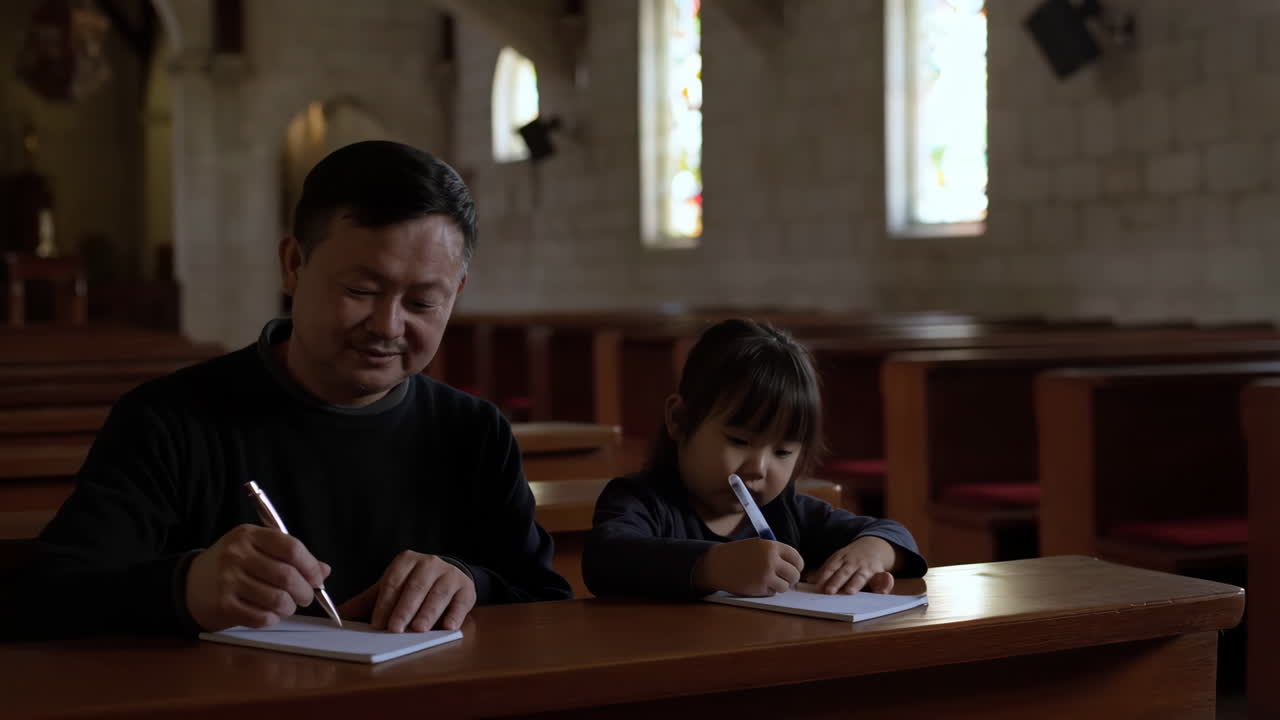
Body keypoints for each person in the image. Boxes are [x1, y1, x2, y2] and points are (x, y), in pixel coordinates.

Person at [2, 140, 571, 640]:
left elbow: (544, 602)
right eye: (361, 289)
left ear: (457, 292)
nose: (389, 326)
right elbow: (43, 600)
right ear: (294, 264)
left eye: (423, 302)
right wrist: (183, 587)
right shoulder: (167, 420)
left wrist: (470, 583)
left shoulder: (474, 433)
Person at [582, 318, 926, 599]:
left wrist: (868, 556)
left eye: (783, 452)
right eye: (739, 440)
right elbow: (606, 559)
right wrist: (711, 566)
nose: (757, 468)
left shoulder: (788, 512)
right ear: (679, 420)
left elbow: (892, 532)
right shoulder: (641, 502)